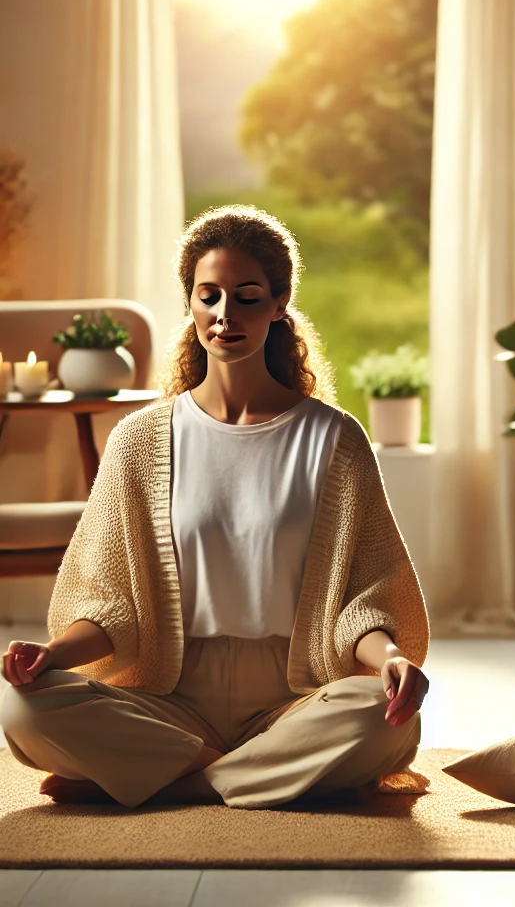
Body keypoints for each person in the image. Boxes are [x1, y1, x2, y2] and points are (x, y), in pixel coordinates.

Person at [0, 204, 431, 810]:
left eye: (248, 297)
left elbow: (366, 599)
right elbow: (110, 604)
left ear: (280, 305)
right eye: (210, 296)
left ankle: (176, 780)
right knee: (18, 703)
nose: (226, 315)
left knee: (382, 716)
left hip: (293, 697)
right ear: (191, 303)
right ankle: (256, 777)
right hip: (170, 696)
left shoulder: (335, 439)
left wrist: (390, 660)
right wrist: (49, 656)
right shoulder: (139, 441)